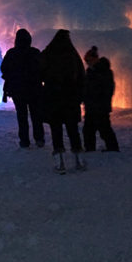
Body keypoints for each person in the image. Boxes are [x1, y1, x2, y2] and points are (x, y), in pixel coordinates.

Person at [40, 29, 85, 174]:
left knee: (56, 130)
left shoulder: (48, 53)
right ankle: (79, 160)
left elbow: (39, 73)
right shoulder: (73, 55)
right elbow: (81, 77)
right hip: (70, 98)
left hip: (53, 99)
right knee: (73, 129)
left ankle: (60, 163)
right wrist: (80, 96)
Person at [0, 28, 45, 148]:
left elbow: (3, 68)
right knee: (36, 116)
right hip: (34, 90)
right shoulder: (35, 52)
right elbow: (43, 69)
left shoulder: (12, 53)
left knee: (22, 116)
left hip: (18, 90)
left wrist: (12, 77)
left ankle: (24, 141)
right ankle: (39, 139)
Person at [82, 46, 119, 152]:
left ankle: (112, 148)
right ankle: (90, 148)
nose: (87, 63)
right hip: (91, 106)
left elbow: (107, 89)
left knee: (104, 128)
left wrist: (96, 98)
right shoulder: (90, 71)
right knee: (89, 129)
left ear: (95, 59)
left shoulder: (104, 71)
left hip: (100, 106)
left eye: (88, 60)